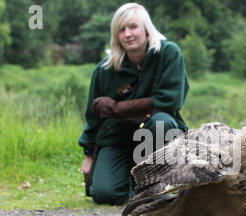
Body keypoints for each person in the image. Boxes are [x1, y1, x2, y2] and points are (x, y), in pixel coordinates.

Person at [79, 3, 189, 205]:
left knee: (162, 121)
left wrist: (116, 109)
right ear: (116, 35)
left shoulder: (169, 54)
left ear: (146, 28)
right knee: (106, 194)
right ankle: (133, 185)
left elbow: (169, 100)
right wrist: (88, 154)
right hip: (117, 137)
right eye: (122, 29)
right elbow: (93, 116)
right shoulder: (104, 70)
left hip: (156, 136)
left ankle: (155, 187)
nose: (128, 34)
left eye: (133, 27)